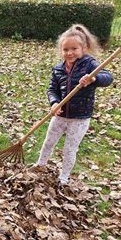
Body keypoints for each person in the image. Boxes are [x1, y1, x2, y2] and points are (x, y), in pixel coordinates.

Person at [34, 24, 113, 184]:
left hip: (80, 118)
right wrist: (54, 103)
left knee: (69, 149)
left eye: (74, 48)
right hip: (60, 115)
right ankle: (40, 164)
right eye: (65, 49)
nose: (69, 53)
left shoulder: (90, 64)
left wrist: (94, 78)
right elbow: (52, 89)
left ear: (83, 48)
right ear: (61, 50)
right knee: (48, 141)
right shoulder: (58, 69)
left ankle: (64, 176)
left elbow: (108, 77)